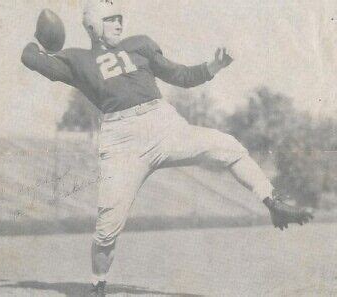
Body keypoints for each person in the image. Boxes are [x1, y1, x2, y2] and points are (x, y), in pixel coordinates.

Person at [21, 1, 313, 296]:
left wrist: (215, 66)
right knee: (108, 226)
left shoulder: (139, 45)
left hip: (163, 124)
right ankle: (98, 285)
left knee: (229, 146)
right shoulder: (78, 59)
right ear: (94, 27)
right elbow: (34, 60)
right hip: (122, 139)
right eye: (112, 20)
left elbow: (181, 76)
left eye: (120, 19)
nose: (120, 25)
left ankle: (272, 202)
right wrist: (38, 39)